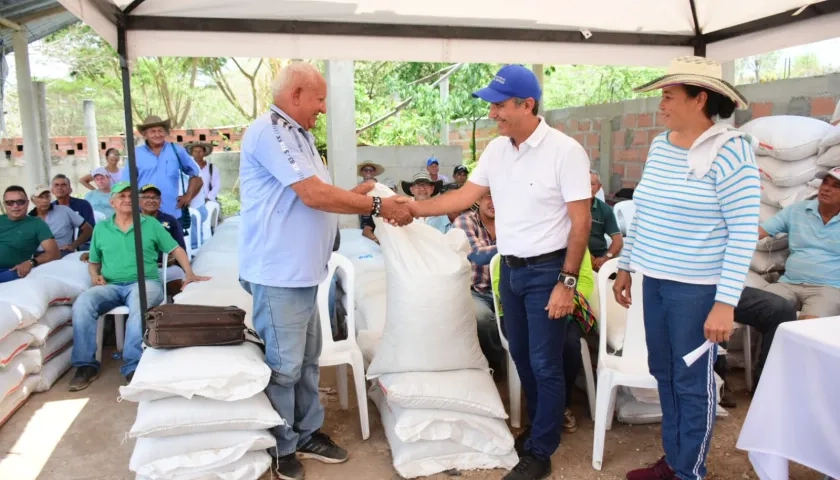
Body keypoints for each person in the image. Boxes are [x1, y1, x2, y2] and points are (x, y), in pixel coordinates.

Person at [405, 64, 592, 480]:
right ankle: (536, 430)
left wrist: (567, 283)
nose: (493, 113)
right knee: (523, 356)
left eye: (499, 105)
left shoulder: (565, 152)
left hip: (548, 271)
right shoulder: (498, 150)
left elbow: (581, 224)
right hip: (509, 269)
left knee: (545, 363)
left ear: (527, 105)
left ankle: (541, 452)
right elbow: (461, 198)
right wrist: (410, 209)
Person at [238, 62, 412, 480]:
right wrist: (375, 206)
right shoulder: (271, 132)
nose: (321, 109)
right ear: (296, 94)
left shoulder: (300, 136)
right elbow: (312, 195)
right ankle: (282, 445)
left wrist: (352, 195)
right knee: (284, 365)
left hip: (302, 273)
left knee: (308, 360)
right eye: (318, 100)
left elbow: (313, 195)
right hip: (278, 272)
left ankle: (307, 432)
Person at [613, 56, 760, 480]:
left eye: (669, 96)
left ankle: (689, 472)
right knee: (665, 373)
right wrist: (626, 265)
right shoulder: (661, 145)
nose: (661, 104)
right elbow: (644, 213)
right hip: (654, 281)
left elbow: (743, 233)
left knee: (691, 382)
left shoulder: (733, 154)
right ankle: (676, 460)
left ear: (699, 100)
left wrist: (724, 304)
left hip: (696, 291)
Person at [68, 182, 207, 391]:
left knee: (138, 305)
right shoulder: (102, 228)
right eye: (121, 196)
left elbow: (176, 249)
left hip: (146, 283)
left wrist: (190, 274)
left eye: (130, 196)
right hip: (111, 285)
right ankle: (85, 365)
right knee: (83, 303)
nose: (126, 199)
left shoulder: (150, 225)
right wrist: (94, 275)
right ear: (112, 202)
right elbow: (94, 262)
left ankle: (133, 364)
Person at [757, 166, 840, 319]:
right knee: (757, 307)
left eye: (836, 186)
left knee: (808, 327)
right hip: (788, 283)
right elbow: (759, 232)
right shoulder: (797, 211)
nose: (827, 189)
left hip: (829, 288)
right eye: (825, 183)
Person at [453, 192, 505, 373]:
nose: (494, 202)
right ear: (478, 199)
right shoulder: (465, 221)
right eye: (489, 196)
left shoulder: (511, 220)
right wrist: (516, 243)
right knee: (482, 319)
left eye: (499, 194)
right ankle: (495, 362)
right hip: (475, 289)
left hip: (506, 289)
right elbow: (477, 255)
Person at [126, 115, 203, 227]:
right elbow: (126, 184)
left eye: (160, 130)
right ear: (144, 134)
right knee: (146, 244)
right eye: (153, 131)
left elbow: (196, 177)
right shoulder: (136, 154)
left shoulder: (176, 150)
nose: (157, 134)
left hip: (171, 213)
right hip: (143, 214)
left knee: (173, 244)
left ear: (165, 132)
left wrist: (188, 196)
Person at [0, 186, 59, 283]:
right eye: (10, 202)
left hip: (10, 271)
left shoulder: (37, 224)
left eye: (20, 202)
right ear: (4, 205)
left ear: (27, 203)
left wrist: (31, 262)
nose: (15, 206)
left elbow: (54, 253)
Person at [139, 184, 188, 296]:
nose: (151, 200)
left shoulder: (170, 220)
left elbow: (181, 247)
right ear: (138, 200)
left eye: (155, 197)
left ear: (160, 201)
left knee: (181, 282)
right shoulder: (132, 220)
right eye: (146, 197)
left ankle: (175, 310)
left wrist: (175, 259)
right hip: (139, 269)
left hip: (165, 267)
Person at [29, 184, 92, 254]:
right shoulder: (29, 219)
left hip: (61, 252)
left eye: (47, 197)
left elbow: (88, 229)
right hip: (37, 255)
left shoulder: (64, 211)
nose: (45, 200)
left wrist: (73, 245)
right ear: (33, 200)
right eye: (40, 197)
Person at [588, 170, 623, 271]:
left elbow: (618, 241)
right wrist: (587, 257)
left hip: (599, 259)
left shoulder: (605, 209)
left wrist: (606, 257)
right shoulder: (571, 207)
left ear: (599, 187)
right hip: (577, 257)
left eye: (592, 184)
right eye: (584, 183)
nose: (588, 187)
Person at [182, 143, 211, 249]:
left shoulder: (190, 165)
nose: (197, 154)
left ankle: (194, 253)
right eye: (195, 151)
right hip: (191, 208)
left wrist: (209, 197)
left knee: (194, 242)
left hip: (195, 208)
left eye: (200, 151)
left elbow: (199, 182)